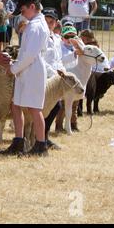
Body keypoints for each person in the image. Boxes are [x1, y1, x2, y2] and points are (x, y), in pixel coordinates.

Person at [0, 0, 49, 156]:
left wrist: (13, 68)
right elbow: (26, 54)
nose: (21, 14)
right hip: (26, 69)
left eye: (23, 11)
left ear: (32, 7)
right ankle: (18, 141)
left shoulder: (36, 26)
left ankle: (41, 144)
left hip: (33, 69)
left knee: (34, 108)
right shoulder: (33, 23)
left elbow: (30, 55)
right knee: (15, 105)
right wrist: (15, 64)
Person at [42, 8, 66, 149]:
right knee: (52, 106)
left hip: (56, 77)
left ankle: (44, 136)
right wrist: (53, 73)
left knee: (56, 106)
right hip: (45, 76)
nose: (49, 24)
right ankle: (41, 137)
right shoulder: (41, 37)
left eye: (51, 21)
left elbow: (59, 59)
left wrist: (62, 71)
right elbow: (40, 59)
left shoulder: (57, 39)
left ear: (56, 23)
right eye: (46, 21)